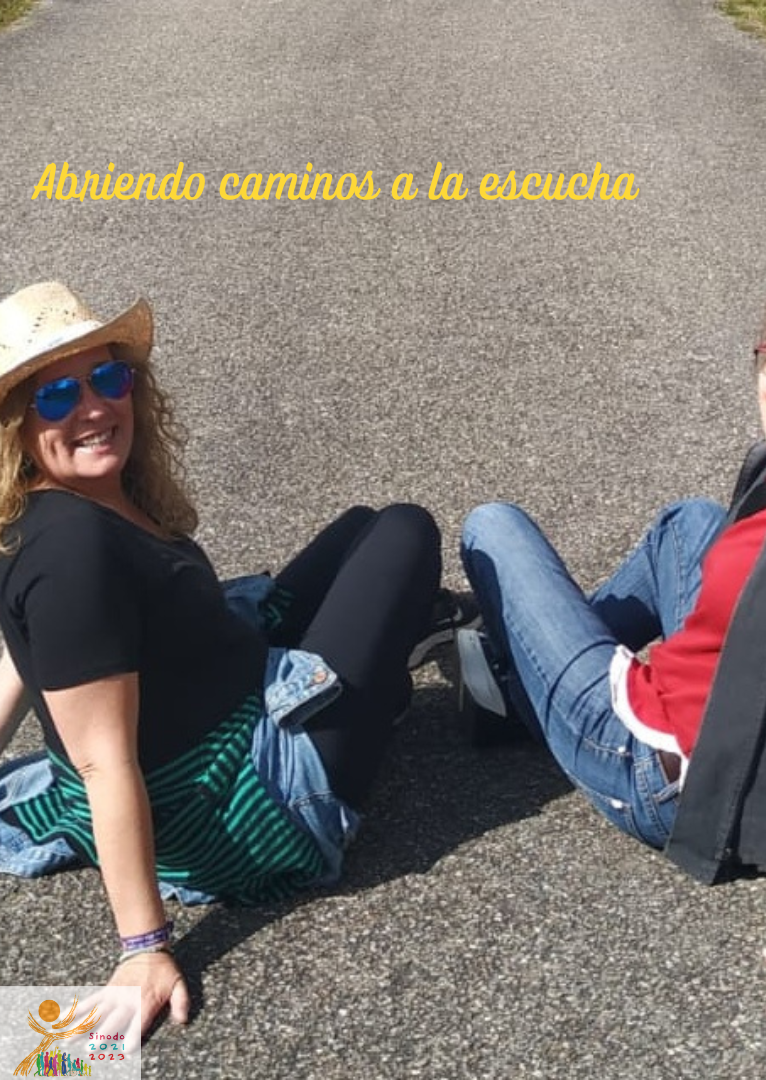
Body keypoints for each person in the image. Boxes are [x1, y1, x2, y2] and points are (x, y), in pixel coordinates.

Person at [0, 282, 468, 1034]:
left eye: (108, 378)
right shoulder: (74, 551)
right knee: (407, 530)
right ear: (16, 424)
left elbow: (28, 655)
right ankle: (402, 661)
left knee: (364, 526)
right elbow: (101, 762)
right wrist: (144, 948)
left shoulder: (42, 507)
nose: (93, 407)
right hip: (248, 798)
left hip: (218, 677)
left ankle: (402, 640)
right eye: (56, 395)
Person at [458, 273, 766, 1035]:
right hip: (723, 679)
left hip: (653, 762)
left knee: (492, 527)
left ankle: (520, 691)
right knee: (688, 522)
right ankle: (527, 677)